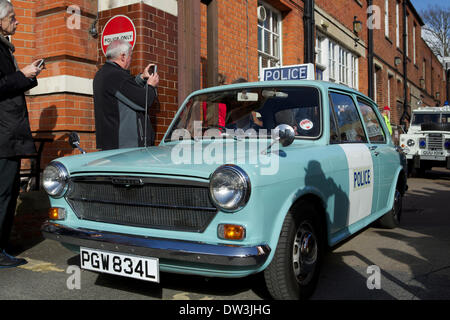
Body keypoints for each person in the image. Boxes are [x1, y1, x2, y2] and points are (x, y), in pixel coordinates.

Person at [0, 0, 44, 268]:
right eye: (13, 18)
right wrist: (22, 74)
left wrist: (29, 74)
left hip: (8, 135)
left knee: (8, 192)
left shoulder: (5, 47)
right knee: (3, 194)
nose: (17, 22)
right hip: (3, 137)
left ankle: (4, 244)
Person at [93, 39, 159, 150]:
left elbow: (124, 93)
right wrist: (151, 86)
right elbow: (145, 101)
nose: (131, 60)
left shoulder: (102, 74)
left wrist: (141, 78)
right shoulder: (116, 76)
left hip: (111, 144)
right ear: (123, 56)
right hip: (126, 147)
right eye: (130, 56)